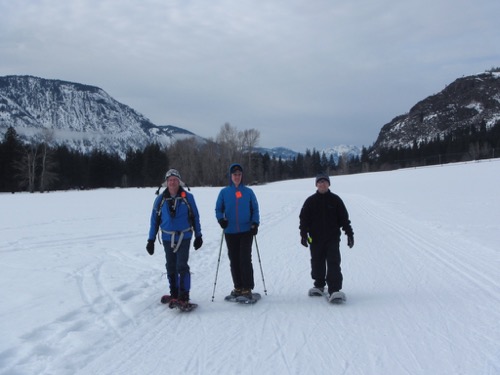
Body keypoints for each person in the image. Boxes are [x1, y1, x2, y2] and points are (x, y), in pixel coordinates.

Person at [146, 169, 203, 308]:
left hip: (184, 236)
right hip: (167, 237)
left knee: (181, 266)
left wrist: (198, 235)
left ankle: (184, 296)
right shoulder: (160, 199)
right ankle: (175, 293)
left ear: (179, 181)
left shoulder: (188, 197)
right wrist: (151, 240)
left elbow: (195, 216)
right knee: (170, 266)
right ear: (166, 182)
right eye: (170, 180)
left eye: (175, 180)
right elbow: (154, 220)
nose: (172, 182)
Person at [299, 172, 354, 301]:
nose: (322, 184)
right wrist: (303, 234)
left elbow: (344, 219)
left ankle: (334, 290)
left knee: (333, 262)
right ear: (316, 185)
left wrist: (349, 233)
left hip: (332, 238)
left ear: (328, 184)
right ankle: (319, 285)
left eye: (324, 181)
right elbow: (303, 219)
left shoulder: (336, 200)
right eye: (319, 182)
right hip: (315, 238)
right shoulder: (310, 201)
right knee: (317, 261)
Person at [215, 163, 260, 300]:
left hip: (246, 230)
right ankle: (238, 286)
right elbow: (218, 209)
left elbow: (255, 209)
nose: (237, 177)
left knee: (245, 258)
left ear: (242, 176)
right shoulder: (224, 192)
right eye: (235, 175)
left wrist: (255, 223)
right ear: (231, 176)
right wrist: (221, 219)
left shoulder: (248, 192)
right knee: (234, 259)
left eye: (239, 174)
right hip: (230, 231)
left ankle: (247, 288)